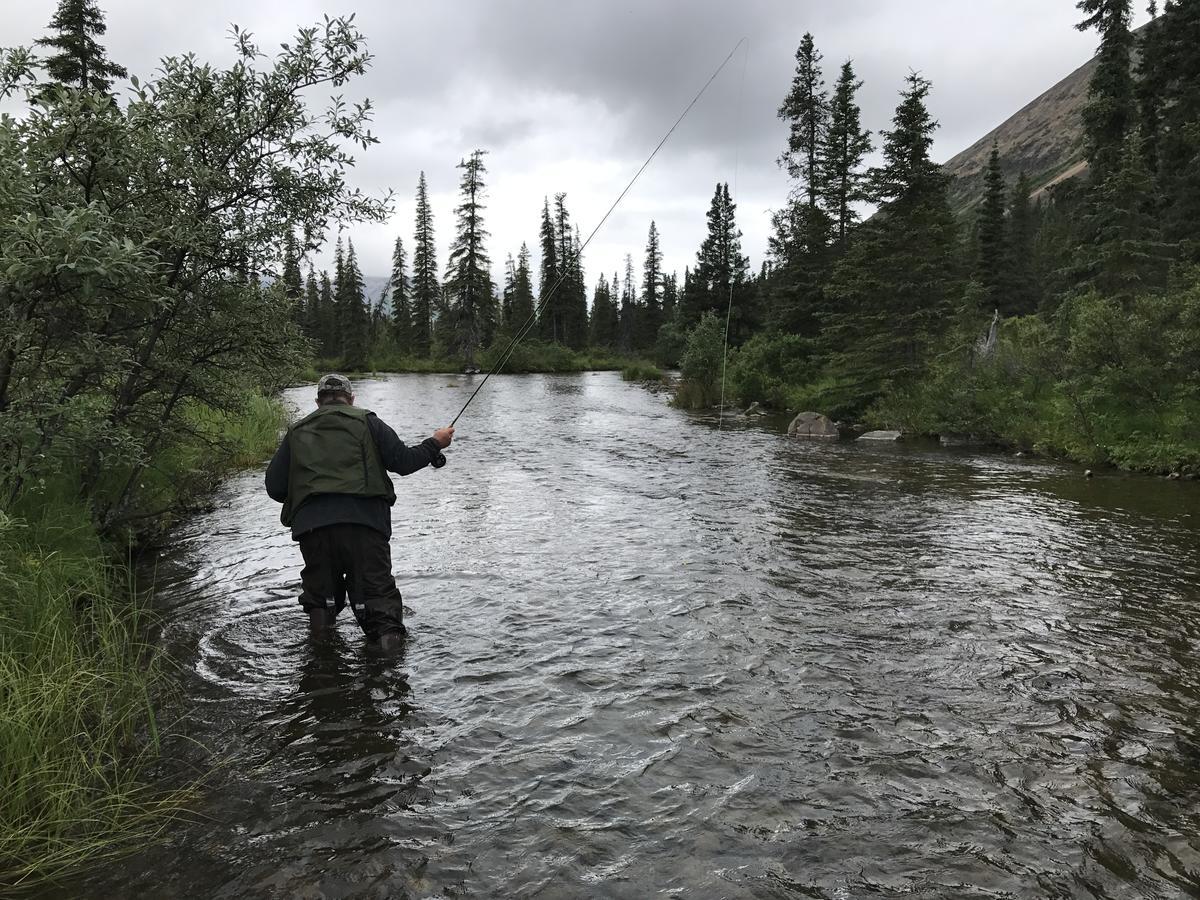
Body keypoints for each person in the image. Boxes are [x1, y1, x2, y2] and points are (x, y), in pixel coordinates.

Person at [265, 373, 453, 651]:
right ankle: (388, 678)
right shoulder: (369, 422)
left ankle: (321, 667)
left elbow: (275, 487)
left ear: (318, 402)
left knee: (321, 600)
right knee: (378, 601)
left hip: (313, 530)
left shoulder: (297, 431)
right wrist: (435, 443)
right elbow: (403, 462)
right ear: (351, 399)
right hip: (365, 526)